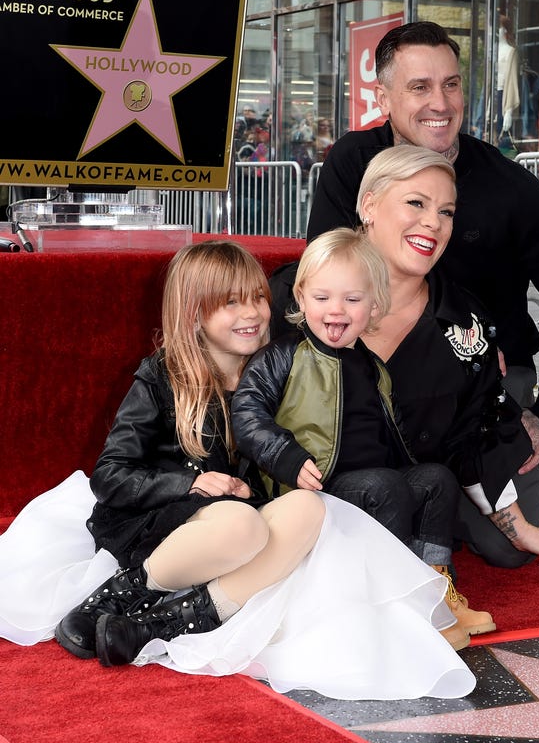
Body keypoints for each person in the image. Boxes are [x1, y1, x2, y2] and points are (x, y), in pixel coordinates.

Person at [0, 239, 476, 700]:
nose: (250, 313)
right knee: (238, 521)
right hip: (163, 521)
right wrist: (190, 481)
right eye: (230, 303)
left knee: (309, 510)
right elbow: (110, 474)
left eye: (257, 299)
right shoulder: (162, 377)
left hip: (248, 528)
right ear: (194, 314)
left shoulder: (281, 364)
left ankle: (172, 620)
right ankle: (117, 596)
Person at [303, 20, 539, 567]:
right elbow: (323, 282)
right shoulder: (353, 164)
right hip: (371, 364)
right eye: (419, 86)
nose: (439, 102)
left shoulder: (507, 186)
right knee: (367, 506)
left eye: (451, 84)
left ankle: (442, 499)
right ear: (384, 96)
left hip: (484, 380)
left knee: (505, 549)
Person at [232, 227, 494, 651]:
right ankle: (389, 603)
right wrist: (285, 456)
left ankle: (433, 589)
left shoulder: (373, 366)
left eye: (352, 300)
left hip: (372, 485)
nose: (336, 310)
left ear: (375, 305)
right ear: (300, 298)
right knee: (385, 485)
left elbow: (387, 435)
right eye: (322, 298)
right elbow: (246, 413)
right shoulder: (283, 356)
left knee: (435, 479)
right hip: (312, 490)